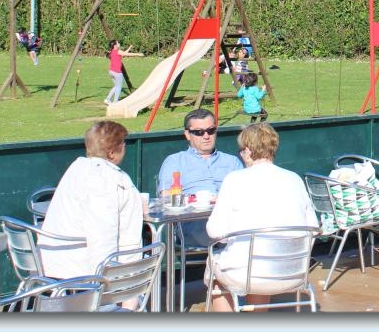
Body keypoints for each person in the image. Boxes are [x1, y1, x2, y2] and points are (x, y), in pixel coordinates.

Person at [205, 123, 318, 312]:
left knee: (217, 270)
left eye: (241, 151)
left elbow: (214, 231)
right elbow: (313, 227)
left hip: (247, 273)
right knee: (256, 263)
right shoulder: (294, 179)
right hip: (292, 273)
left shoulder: (234, 179)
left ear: (248, 150)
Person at [39, 121, 143, 308]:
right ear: (112, 152)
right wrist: (106, 284)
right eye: (123, 144)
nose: (125, 148)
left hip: (55, 264)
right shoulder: (106, 180)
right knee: (135, 279)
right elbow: (102, 238)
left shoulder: (76, 169)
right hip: (81, 273)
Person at [158, 109, 244, 246]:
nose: (206, 136)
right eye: (199, 132)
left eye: (210, 130)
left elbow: (245, 194)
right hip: (194, 231)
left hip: (231, 232)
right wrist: (197, 199)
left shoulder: (232, 161)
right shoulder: (175, 161)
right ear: (187, 134)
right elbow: (166, 198)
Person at [105, 39, 136, 105]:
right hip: (117, 72)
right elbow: (127, 54)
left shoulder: (112, 51)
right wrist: (138, 54)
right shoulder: (118, 51)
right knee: (119, 87)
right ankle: (115, 102)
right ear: (115, 45)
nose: (119, 44)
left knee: (116, 86)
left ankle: (107, 99)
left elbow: (124, 53)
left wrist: (129, 48)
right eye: (118, 43)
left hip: (111, 72)